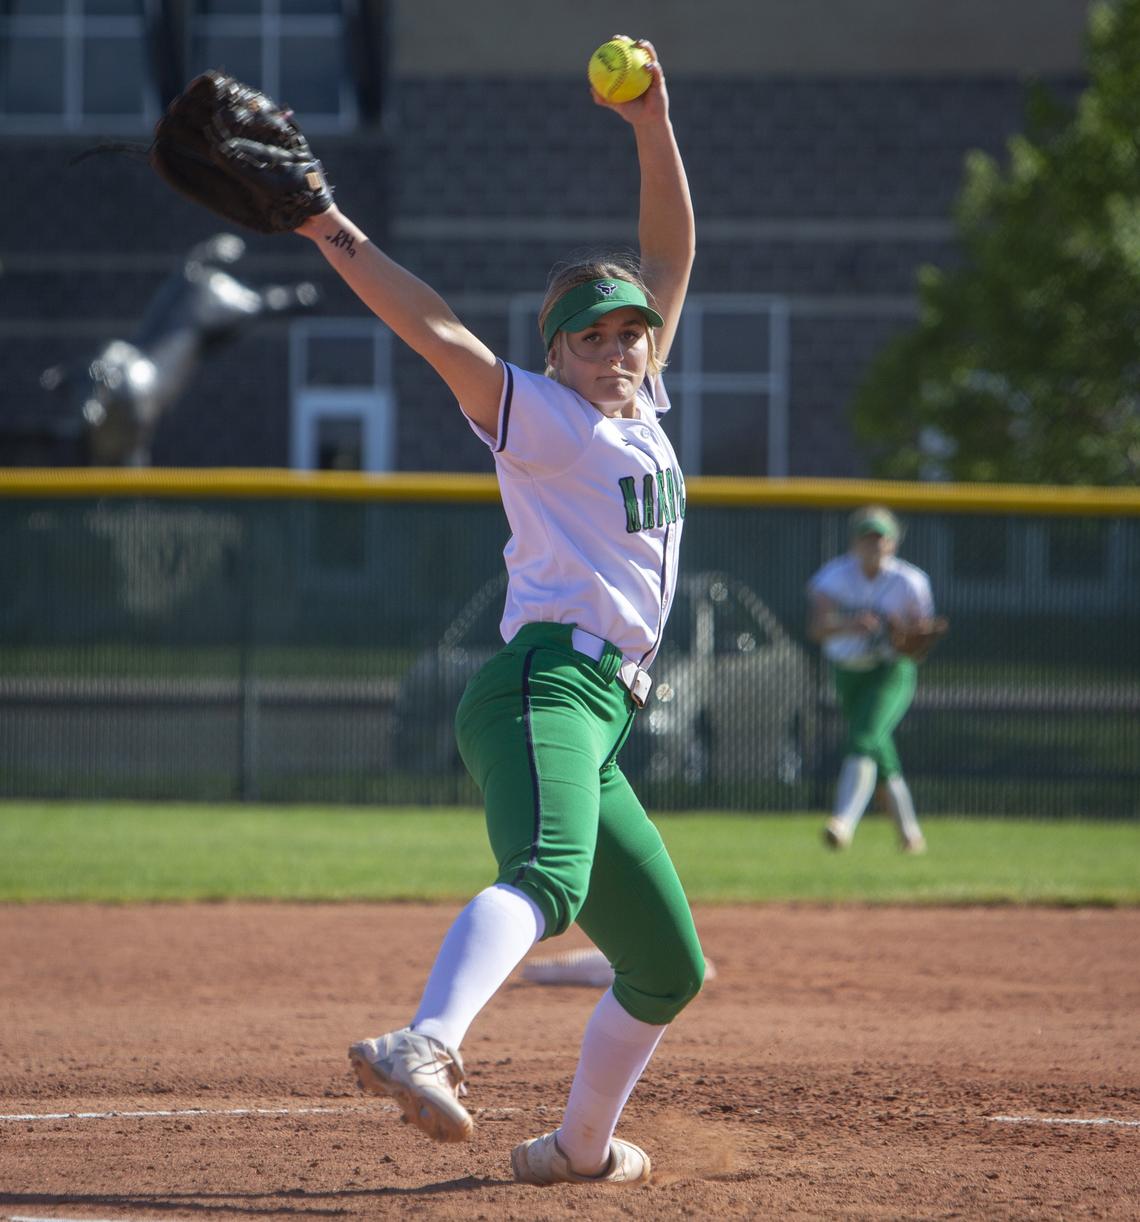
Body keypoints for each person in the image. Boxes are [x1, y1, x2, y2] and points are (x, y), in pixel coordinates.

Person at [296, 39, 704, 1185]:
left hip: (602, 711)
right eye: (594, 334)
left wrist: (651, 122)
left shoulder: (638, 407)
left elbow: (670, 248)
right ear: (557, 353)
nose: (619, 345)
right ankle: (423, 1037)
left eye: (631, 330)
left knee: (669, 965)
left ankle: (577, 1147)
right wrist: (330, 225)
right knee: (548, 878)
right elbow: (431, 329)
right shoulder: (547, 420)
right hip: (544, 687)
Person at [806, 505, 939, 855]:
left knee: (865, 738)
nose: (873, 544)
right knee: (879, 749)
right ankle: (910, 836)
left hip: (890, 672)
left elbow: (920, 637)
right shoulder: (833, 577)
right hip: (849, 673)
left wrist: (907, 635)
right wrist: (851, 625)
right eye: (867, 537)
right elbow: (817, 628)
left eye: (880, 538)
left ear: (893, 543)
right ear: (854, 542)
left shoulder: (910, 581)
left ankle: (843, 823)